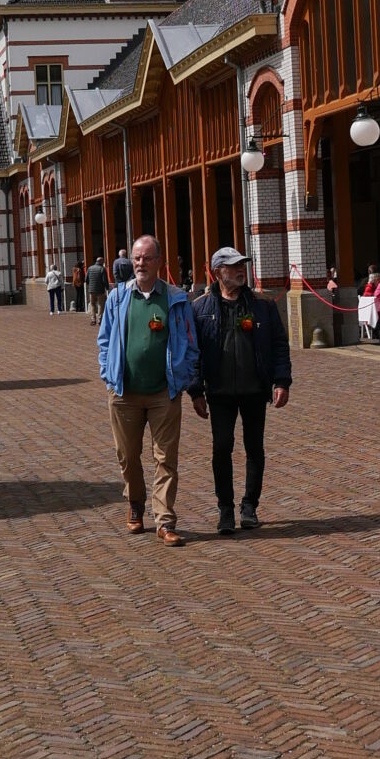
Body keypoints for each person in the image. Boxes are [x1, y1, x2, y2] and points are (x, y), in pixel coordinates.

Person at [97, 233, 200, 547]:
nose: (140, 263)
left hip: (163, 393)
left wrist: (183, 378)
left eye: (147, 258)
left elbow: (190, 343)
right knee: (128, 456)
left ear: (159, 262)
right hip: (124, 393)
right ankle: (135, 503)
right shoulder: (118, 298)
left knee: (165, 458)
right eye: (137, 258)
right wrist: (108, 373)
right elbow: (105, 340)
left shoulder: (175, 298)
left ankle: (164, 521)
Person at [189, 246, 292, 534]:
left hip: (254, 390)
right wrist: (196, 391)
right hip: (219, 392)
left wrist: (281, 382)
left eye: (242, 265)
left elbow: (279, 345)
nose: (240, 270)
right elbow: (193, 352)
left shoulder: (263, 305)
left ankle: (249, 507)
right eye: (233, 266)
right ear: (217, 272)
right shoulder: (199, 308)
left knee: (254, 448)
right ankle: (225, 509)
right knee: (221, 448)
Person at [86, 254, 109, 325]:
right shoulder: (102, 269)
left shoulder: (90, 268)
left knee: (92, 304)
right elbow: (105, 280)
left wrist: (90, 285)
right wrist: (107, 287)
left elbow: (86, 279)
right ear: (101, 262)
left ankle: (93, 319)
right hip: (100, 290)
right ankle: (100, 319)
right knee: (100, 304)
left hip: (91, 290)